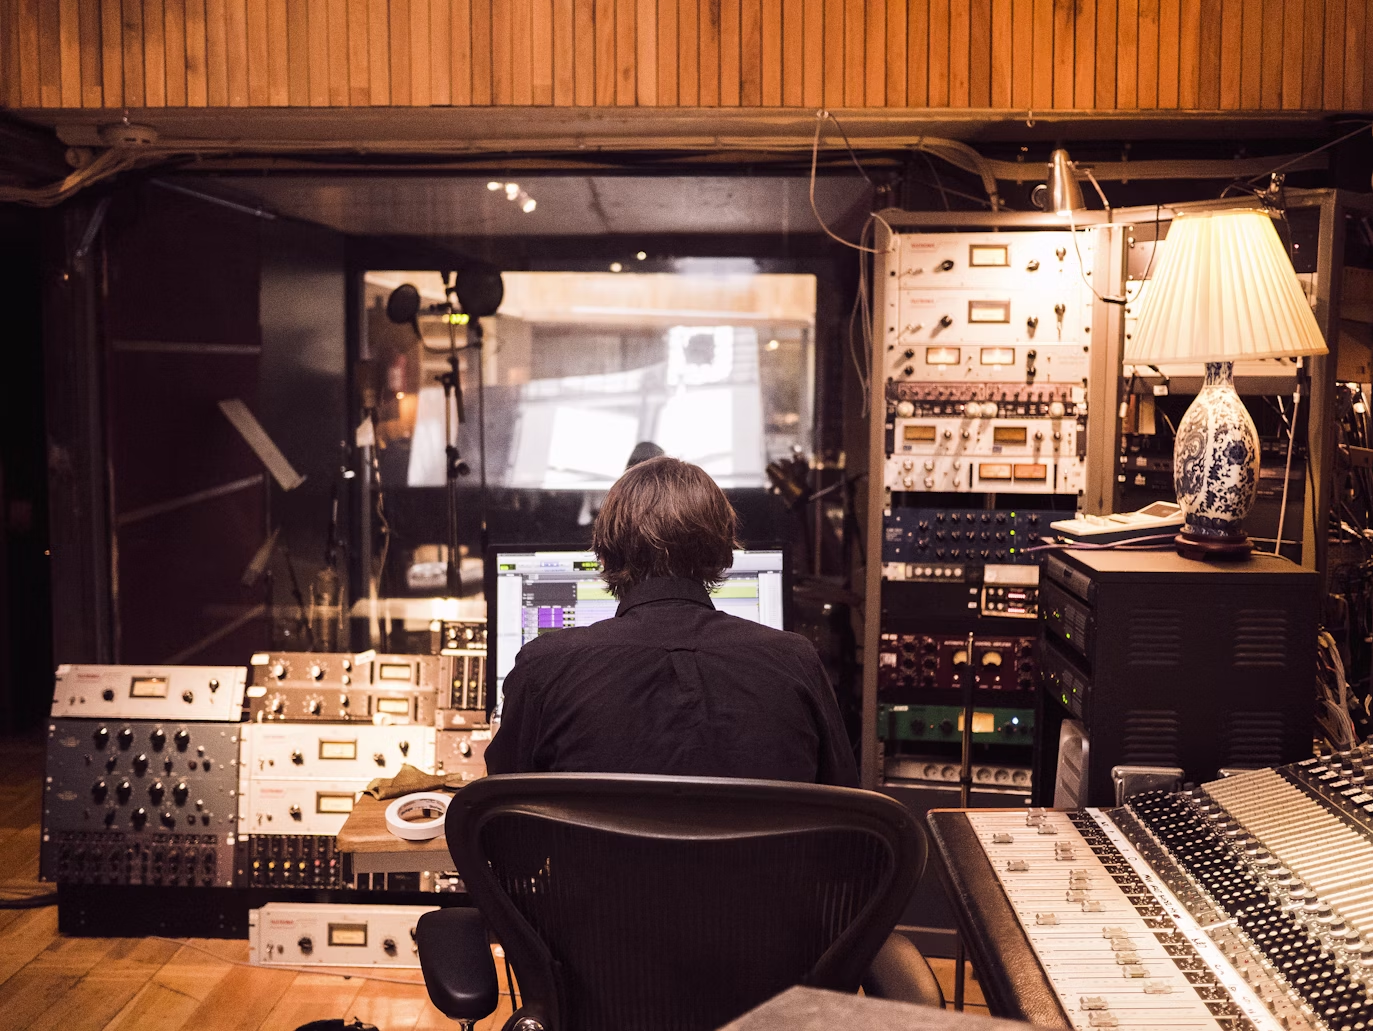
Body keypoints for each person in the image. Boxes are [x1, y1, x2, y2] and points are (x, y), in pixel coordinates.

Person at [484, 455, 858, 786]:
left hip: (602, 868)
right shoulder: (795, 661)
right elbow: (847, 818)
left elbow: (502, 823)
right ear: (724, 551)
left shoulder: (545, 667)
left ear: (604, 553)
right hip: (758, 868)